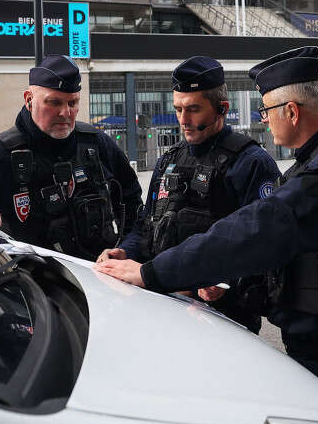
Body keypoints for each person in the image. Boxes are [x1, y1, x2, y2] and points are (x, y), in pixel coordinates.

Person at [98, 46, 318, 424]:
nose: (264, 121)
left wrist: (153, 273)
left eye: (266, 112)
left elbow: (257, 230)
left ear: (290, 111)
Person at [97, 56, 279, 333]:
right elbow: (147, 223)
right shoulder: (168, 159)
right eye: (178, 109)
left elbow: (266, 244)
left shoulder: (251, 162)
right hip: (161, 305)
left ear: (222, 108)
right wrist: (126, 250)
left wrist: (225, 281)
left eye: (193, 109)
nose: (183, 119)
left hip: (223, 320)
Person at [0, 54, 142, 260]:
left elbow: (133, 201)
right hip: (36, 283)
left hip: (101, 278)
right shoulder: (1, 153)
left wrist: (126, 249)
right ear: (29, 100)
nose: (65, 112)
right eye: (54, 102)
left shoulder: (96, 144)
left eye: (72, 103)